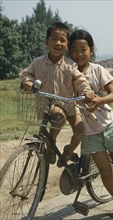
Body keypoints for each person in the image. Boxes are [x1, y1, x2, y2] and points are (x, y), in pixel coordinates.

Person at [69, 29, 113, 220]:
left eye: (83, 49)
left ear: (91, 50)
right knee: (104, 170)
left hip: (108, 123)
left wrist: (99, 101)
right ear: (69, 53)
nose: (79, 54)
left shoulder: (97, 69)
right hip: (89, 131)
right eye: (74, 50)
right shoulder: (68, 73)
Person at [19, 22, 94, 165]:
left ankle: (67, 152)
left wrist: (87, 92)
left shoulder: (70, 65)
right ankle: (51, 145)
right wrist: (28, 81)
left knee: (80, 129)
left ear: (67, 44)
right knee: (58, 115)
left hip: (69, 105)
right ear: (46, 41)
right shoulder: (37, 62)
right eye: (54, 39)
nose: (58, 43)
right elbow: (26, 73)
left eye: (62, 40)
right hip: (47, 105)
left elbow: (80, 81)